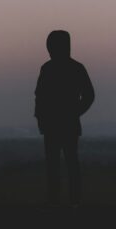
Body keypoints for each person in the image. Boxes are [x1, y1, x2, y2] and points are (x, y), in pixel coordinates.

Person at [35, 30, 95, 207]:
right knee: (57, 165)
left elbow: (89, 95)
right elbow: (40, 96)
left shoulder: (72, 68)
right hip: (56, 124)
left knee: (68, 164)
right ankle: (59, 200)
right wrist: (41, 117)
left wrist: (75, 112)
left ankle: (72, 201)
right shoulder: (53, 68)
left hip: (60, 124)